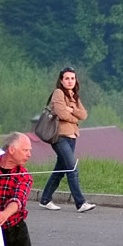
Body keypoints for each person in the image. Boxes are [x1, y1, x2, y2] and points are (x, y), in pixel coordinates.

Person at [38, 66, 96, 213]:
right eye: (67, 78)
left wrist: (72, 110)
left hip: (72, 137)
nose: (70, 81)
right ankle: (80, 203)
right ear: (61, 81)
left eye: (72, 78)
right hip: (60, 137)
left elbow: (83, 114)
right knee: (72, 168)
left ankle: (45, 199)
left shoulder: (74, 96)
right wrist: (73, 119)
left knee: (60, 170)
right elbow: (61, 113)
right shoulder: (58, 93)